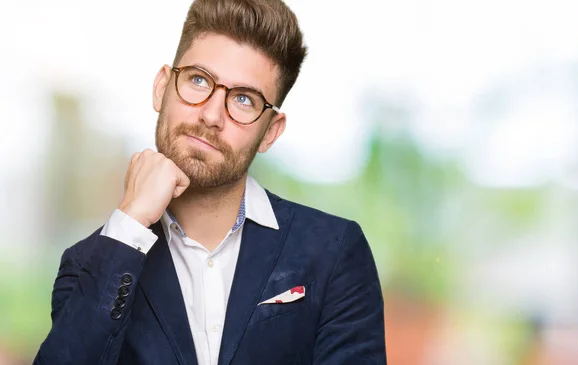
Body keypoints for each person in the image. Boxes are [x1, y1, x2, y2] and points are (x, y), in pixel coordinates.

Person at [34, 0, 386, 364]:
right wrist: (131, 223)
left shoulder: (334, 252)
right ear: (161, 87)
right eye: (198, 79)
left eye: (245, 100)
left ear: (270, 132)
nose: (211, 114)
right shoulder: (89, 264)